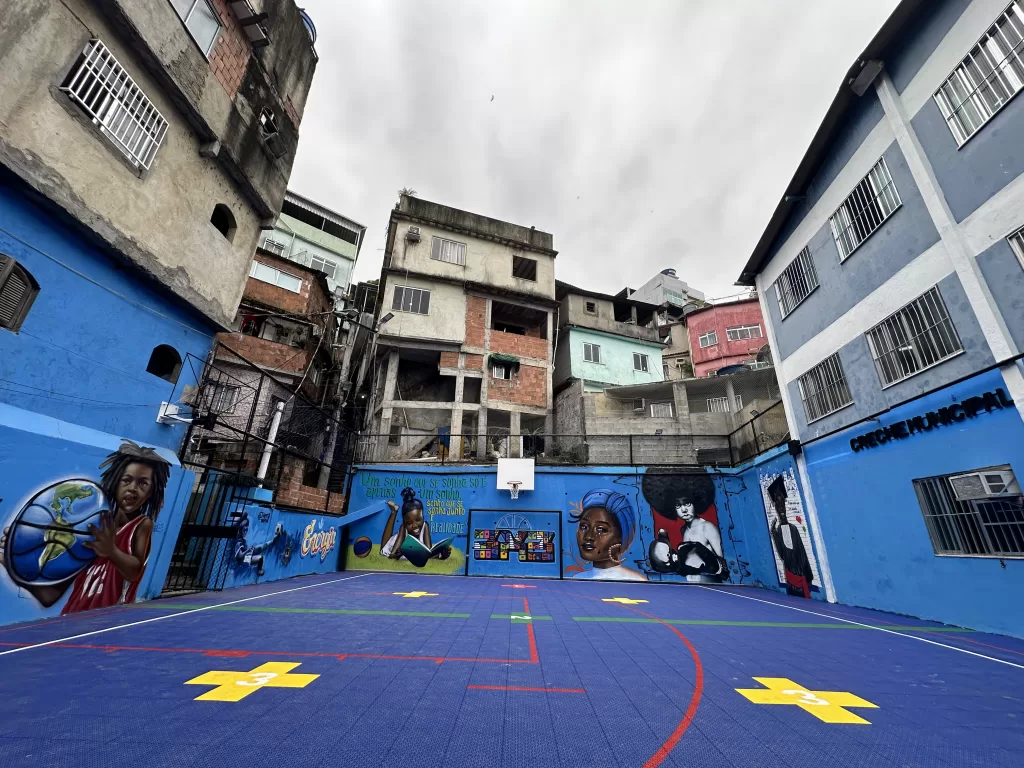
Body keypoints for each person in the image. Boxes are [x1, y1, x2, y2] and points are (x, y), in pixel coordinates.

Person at [1, 440, 171, 613]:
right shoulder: (95, 529)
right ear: (115, 482)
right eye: (126, 480)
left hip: (107, 618)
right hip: (72, 616)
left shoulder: (141, 525)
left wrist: (111, 551)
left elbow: (134, 572)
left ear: (151, 492)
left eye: (143, 483)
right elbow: (49, 596)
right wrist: (13, 563)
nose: (133, 488)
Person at [642, 471, 728, 581]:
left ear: (695, 503)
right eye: (678, 505)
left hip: (709, 582)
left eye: (687, 503)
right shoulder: (684, 530)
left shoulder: (707, 527)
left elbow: (721, 560)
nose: (684, 509)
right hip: (692, 584)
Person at [571, 489, 647, 581]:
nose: (588, 537)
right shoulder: (577, 579)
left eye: (601, 530)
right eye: (584, 527)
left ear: (621, 537)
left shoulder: (635, 581)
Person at [767, 476, 814, 598]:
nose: (781, 506)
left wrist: (807, 576)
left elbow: (802, 553)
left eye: (782, 502)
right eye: (777, 503)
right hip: (790, 578)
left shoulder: (793, 528)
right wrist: (775, 534)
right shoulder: (778, 530)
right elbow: (782, 554)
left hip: (800, 578)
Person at [380, 487, 450, 563]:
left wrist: (442, 555)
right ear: (404, 523)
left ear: (422, 517)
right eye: (409, 523)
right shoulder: (403, 528)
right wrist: (397, 554)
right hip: (396, 543)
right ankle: (394, 512)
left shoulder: (425, 526)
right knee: (383, 547)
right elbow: (392, 554)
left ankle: (395, 510)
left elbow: (429, 551)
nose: (415, 525)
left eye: (418, 520)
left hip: (413, 551)